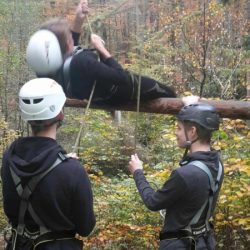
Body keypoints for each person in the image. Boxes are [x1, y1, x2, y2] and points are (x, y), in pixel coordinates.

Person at [1, 78, 95, 249]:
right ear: (60, 114)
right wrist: (68, 168)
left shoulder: (9, 157)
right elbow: (86, 228)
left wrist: (64, 164)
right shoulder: (73, 171)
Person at [26, 0, 176, 106]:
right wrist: (102, 50)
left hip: (98, 97)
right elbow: (121, 77)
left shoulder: (46, 71)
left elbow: (68, 51)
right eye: (69, 37)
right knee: (166, 91)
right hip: (122, 91)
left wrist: (79, 19)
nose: (72, 38)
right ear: (66, 45)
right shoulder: (83, 61)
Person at [128, 96, 224, 250]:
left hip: (180, 245)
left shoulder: (185, 174)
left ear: (192, 132)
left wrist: (137, 172)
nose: (176, 133)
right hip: (203, 242)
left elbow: (153, 202)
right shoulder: (217, 164)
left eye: (179, 128)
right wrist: (191, 106)